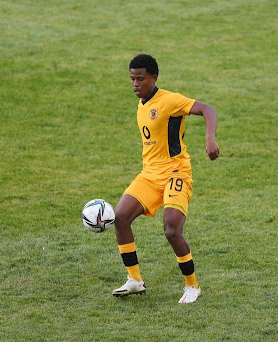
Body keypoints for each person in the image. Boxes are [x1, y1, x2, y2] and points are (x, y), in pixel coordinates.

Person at [112, 54, 219, 304]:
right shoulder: (141, 106)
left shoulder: (170, 100)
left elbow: (207, 109)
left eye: (140, 79)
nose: (135, 84)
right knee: (120, 217)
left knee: (172, 230)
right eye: (132, 79)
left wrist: (210, 138)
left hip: (175, 172)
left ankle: (192, 286)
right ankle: (135, 280)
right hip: (150, 174)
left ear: (154, 78)